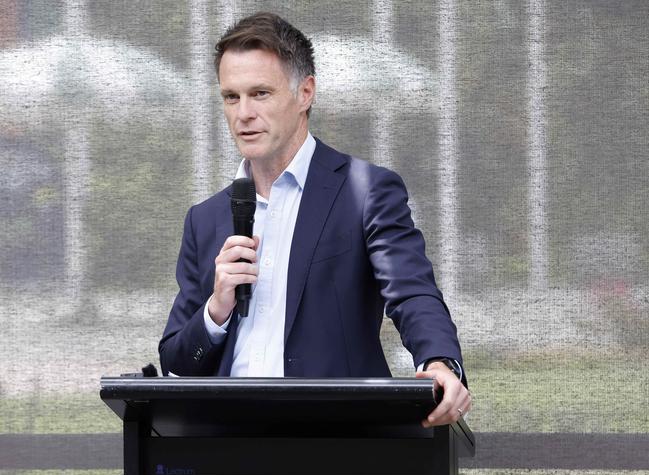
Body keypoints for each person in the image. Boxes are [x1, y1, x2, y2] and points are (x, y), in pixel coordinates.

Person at [159, 12, 471, 427]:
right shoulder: (205, 219)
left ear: (305, 92)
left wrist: (439, 361)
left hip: (333, 443)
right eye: (231, 97)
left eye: (260, 93)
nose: (243, 113)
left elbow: (411, 293)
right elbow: (176, 361)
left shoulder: (364, 191)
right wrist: (217, 309)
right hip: (225, 449)